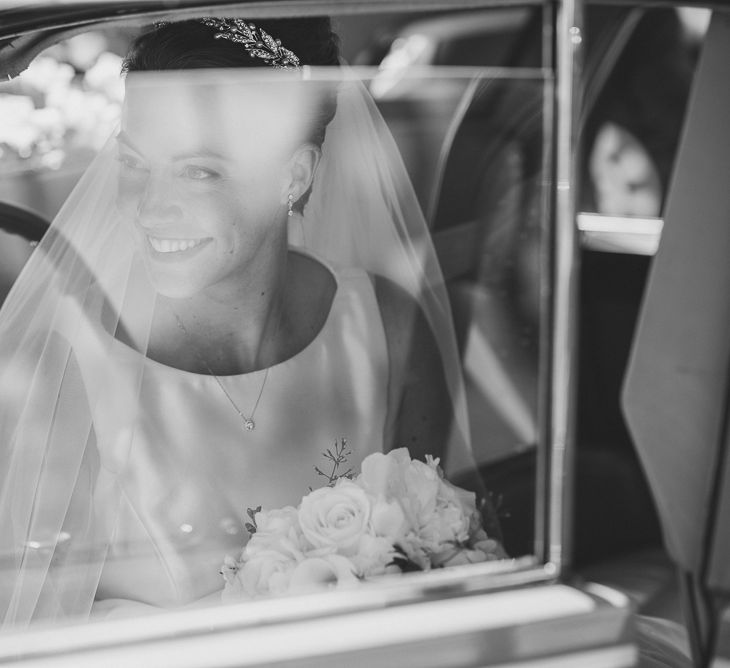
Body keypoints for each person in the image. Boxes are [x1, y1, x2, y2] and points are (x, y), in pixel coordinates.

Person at [0, 17, 495, 627]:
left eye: (198, 171)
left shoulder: (388, 331)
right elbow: (32, 630)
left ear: (293, 175)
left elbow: (433, 568)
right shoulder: (65, 371)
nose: (150, 207)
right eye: (133, 162)